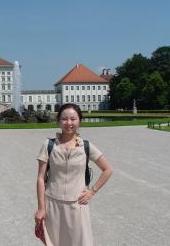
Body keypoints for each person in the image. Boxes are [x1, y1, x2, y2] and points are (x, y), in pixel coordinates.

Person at [34, 103, 113, 245]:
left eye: (73, 119)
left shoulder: (86, 146)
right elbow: (40, 178)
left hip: (77, 205)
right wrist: (41, 208)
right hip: (53, 204)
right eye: (64, 119)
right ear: (58, 121)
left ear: (79, 121)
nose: (68, 123)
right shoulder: (48, 145)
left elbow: (108, 170)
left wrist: (92, 191)